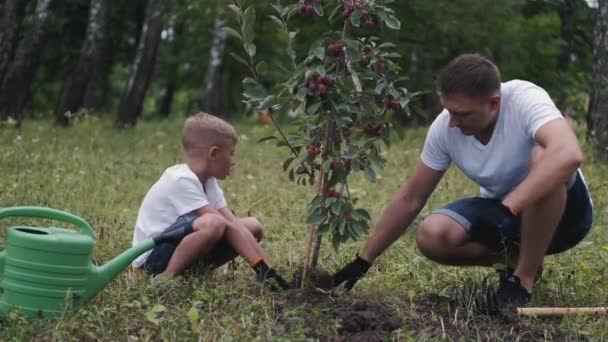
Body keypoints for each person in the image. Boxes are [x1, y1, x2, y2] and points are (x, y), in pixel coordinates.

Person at [332, 53, 593, 315]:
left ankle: (522, 280)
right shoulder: (446, 127)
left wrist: (508, 207)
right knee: (432, 236)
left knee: (545, 158)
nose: (453, 122)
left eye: (461, 114)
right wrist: (364, 260)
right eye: (448, 111)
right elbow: (410, 198)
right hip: (502, 218)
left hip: (566, 219)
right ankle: (516, 260)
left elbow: (569, 154)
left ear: (493, 103)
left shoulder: (525, 99)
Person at [131, 112, 290, 290]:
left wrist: (266, 269)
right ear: (213, 153)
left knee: (252, 226)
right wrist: (258, 266)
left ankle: (193, 272)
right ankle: (164, 279)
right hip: (154, 259)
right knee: (214, 223)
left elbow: (233, 225)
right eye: (231, 154)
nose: (233, 162)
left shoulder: (208, 181)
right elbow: (222, 224)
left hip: (177, 248)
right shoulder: (180, 179)